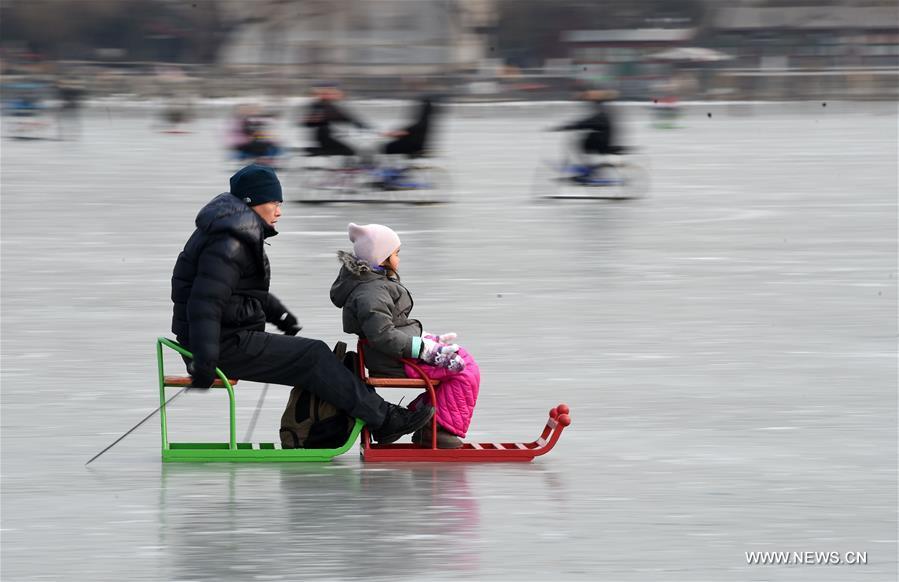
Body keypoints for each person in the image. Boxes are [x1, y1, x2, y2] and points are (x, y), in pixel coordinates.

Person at [170, 164, 434, 444]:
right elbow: (205, 304)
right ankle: (384, 420)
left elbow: (240, 292)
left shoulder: (231, 235)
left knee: (315, 356)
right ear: (251, 202)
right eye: (274, 202)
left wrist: (277, 313)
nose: (279, 210)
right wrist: (205, 360)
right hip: (218, 347)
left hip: (224, 338)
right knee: (313, 356)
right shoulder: (229, 243)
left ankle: (376, 416)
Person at [330, 223, 481, 449]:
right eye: (396, 254)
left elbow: (393, 325)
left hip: (393, 353)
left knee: (463, 359)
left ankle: (423, 419)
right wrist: (422, 348)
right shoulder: (372, 291)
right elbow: (382, 335)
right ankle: (437, 430)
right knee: (463, 370)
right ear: (381, 257)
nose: (399, 259)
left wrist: (428, 338)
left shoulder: (374, 283)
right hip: (392, 359)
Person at [550, 89, 622, 180]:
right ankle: (590, 170)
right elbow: (587, 122)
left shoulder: (601, 113)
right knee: (583, 145)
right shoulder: (604, 111)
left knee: (582, 146)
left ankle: (591, 173)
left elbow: (586, 122)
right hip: (602, 139)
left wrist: (567, 127)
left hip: (601, 142)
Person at [302, 84, 370, 159]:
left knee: (343, 150)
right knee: (348, 151)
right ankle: (313, 152)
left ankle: (313, 151)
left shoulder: (325, 105)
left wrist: (360, 125)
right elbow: (343, 117)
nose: (339, 96)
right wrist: (361, 125)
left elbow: (343, 117)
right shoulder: (324, 105)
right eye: (333, 94)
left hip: (324, 134)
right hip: (324, 135)